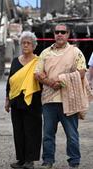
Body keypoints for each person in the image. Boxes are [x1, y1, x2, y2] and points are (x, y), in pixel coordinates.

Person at [35, 23, 87, 169]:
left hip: (69, 99)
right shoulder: (45, 52)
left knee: (72, 134)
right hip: (49, 99)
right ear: (54, 34)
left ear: (68, 34)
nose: (59, 34)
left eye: (63, 32)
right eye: (57, 32)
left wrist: (63, 79)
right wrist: (50, 83)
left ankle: (74, 161)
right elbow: (37, 73)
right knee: (48, 135)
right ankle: (48, 161)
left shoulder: (75, 52)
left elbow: (82, 71)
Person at [5, 31, 42, 169]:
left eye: (28, 43)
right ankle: (20, 159)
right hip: (16, 101)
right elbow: (10, 82)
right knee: (18, 131)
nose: (25, 45)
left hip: (33, 102)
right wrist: (7, 99)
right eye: (23, 43)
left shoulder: (38, 62)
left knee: (31, 131)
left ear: (34, 46)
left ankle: (30, 160)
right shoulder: (15, 61)